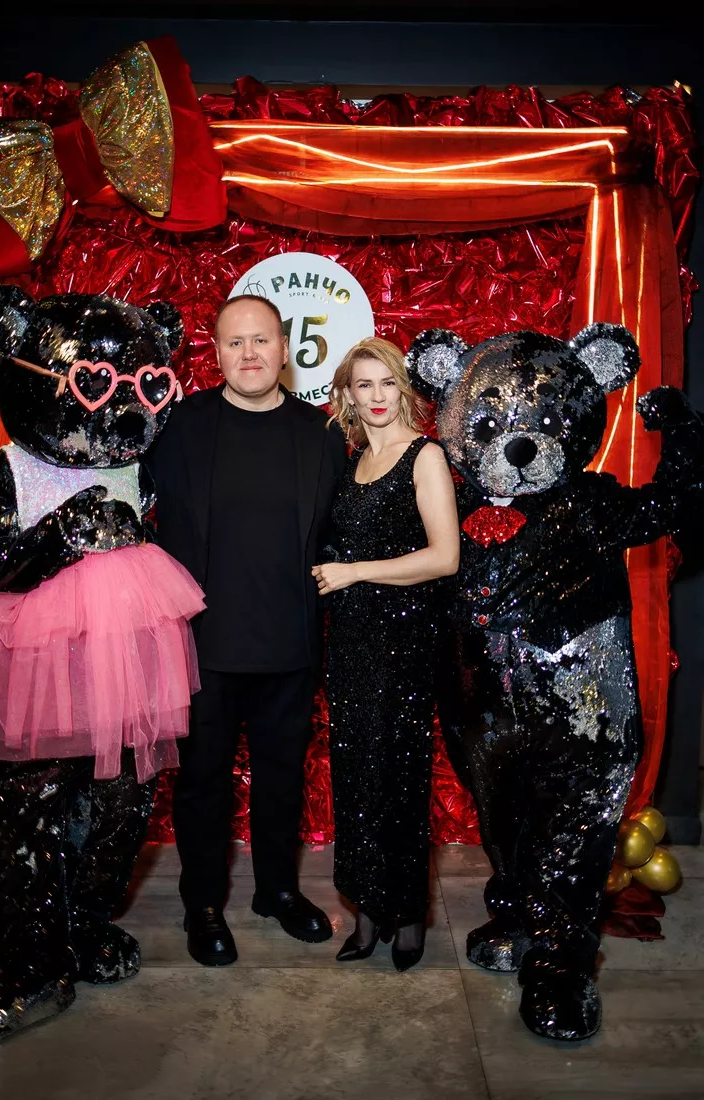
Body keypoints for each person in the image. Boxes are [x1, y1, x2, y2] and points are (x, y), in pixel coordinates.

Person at [148, 295, 347, 965]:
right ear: (216, 352)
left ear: (285, 350)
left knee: (281, 778)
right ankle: (203, 905)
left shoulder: (321, 433)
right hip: (202, 643)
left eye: (261, 340)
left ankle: (277, 892)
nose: (249, 353)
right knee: (202, 782)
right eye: (235, 343)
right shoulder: (180, 426)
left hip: (290, 640)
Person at [312, 336, 459, 971]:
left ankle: (408, 916)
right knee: (356, 779)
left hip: (402, 643)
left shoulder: (425, 456)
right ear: (347, 394)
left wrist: (354, 572)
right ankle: (367, 913)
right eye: (363, 384)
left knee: (398, 778)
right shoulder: (352, 462)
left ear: (403, 388)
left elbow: (444, 557)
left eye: (387, 382)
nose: (376, 396)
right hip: (349, 643)